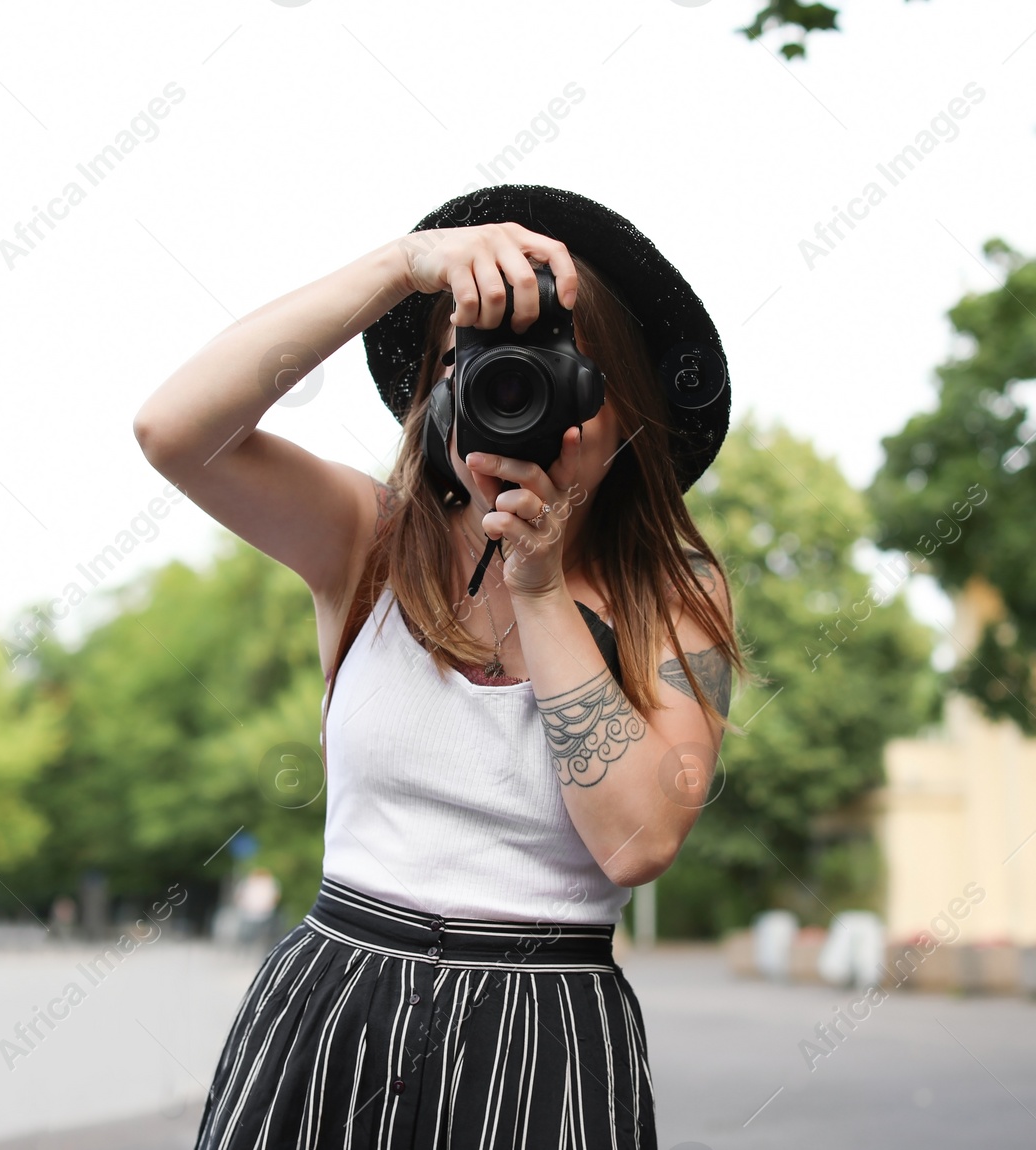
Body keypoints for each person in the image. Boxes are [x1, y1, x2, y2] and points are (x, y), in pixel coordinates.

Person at [135, 184, 747, 1150]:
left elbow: (636, 842)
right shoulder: (368, 542)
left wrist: (540, 589)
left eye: (554, 365)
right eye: (480, 363)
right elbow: (172, 430)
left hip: (544, 1040)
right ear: (441, 392)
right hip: (330, 1017)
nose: (515, 391)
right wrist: (398, 267)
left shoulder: (674, 602)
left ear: (618, 399)